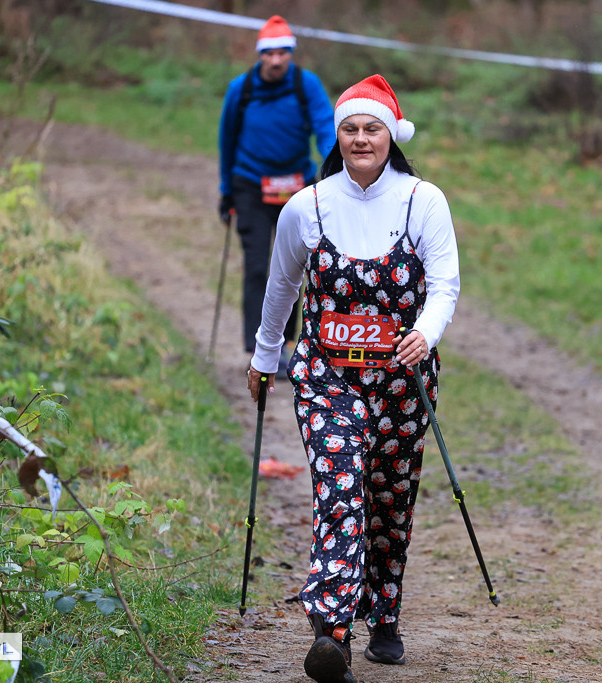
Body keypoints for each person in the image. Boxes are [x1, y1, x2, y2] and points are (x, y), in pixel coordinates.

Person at [246, 74, 459, 682]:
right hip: (326, 375)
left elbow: (444, 283)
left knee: (390, 496)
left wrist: (428, 331)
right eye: (350, 129)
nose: (361, 139)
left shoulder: (424, 201)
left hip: (402, 377)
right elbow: (281, 287)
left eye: (373, 129)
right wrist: (265, 359)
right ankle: (332, 628)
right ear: (336, 135)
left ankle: (383, 614)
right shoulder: (307, 207)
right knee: (340, 490)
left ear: (392, 135)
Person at [218, 15, 336, 374]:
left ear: (290, 54)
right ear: (260, 54)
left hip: (295, 188)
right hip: (250, 186)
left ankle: (283, 346)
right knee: (257, 268)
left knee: (291, 270)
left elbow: (324, 128)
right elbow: (227, 140)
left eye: (282, 52)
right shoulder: (242, 89)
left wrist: (334, 172)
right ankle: (258, 347)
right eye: (269, 53)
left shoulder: (306, 85)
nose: (275, 60)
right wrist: (227, 192)